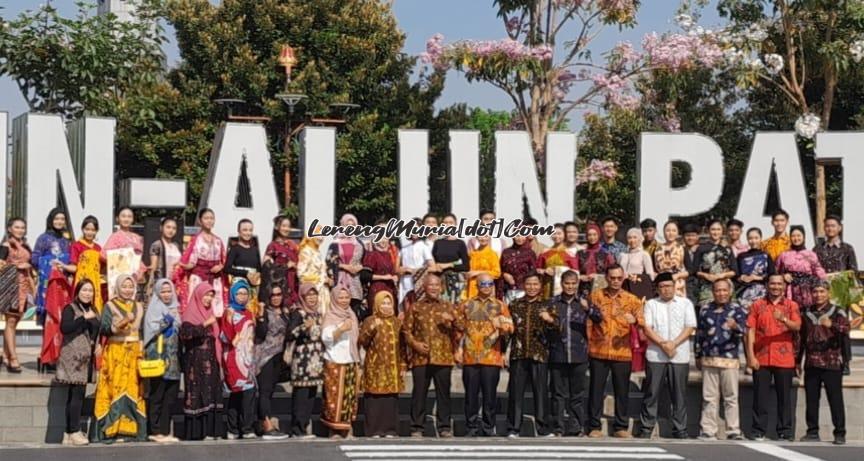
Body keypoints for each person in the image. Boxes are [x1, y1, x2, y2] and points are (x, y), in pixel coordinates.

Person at [586, 265, 644, 439]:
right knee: (596, 389)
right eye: (612, 278)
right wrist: (589, 343)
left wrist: (635, 320)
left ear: (624, 277)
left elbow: (643, 322)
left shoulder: (632, 300)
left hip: (622, 351)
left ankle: (621, 426)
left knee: (621, 391)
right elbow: (588, 322)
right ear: (606, 277)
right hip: (598, 350)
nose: (616, 281)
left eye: (619, 278)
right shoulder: (595, 296)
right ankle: (594, 425)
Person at [403, 274, 463, 438]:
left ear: (441, 287)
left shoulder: (449, 306)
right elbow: (406, 331)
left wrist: (453, 320)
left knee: (443, 394)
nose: (434, 288)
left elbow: (462, 327)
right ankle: (417, 427)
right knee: (419, 394)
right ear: (425, 286)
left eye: (437, 285)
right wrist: (415, 344)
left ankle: (444, 427)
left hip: (443, 357)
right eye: (431, 285)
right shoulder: (415, 307)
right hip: (421, 357)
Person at [638, 272, 696, 440]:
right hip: (656, 355)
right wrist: (664, 344)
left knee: (679, 394)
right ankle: (647, 427)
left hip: (679, 355)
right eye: (662, 287)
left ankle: (680, 429)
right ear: (657, 289)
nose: (666, 290)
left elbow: (690, 327)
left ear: (674, 286)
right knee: (651, 392)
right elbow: (647, 328)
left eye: (669, 286)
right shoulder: (651, 304)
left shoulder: (685, 303)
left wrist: (673, 344)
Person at [91, 274, 146, 443]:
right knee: (114, 389)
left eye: (130, 287)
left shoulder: (139, 306)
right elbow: (105, 328)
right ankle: (111, 431)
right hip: (116, 352)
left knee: (134, 391)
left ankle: (132, 431)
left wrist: (142, 350)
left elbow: (142, 330)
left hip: (134, 353)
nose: (128, 290)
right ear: (118, 288)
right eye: (124, 286)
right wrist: (122, 322)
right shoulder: (110, 305)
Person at [746, 274, 801, 441]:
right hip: (761, 357)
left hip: (784, 358)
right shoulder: (757, 305)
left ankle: (785, 431)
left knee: (784, 398)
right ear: (767, 285)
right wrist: (750, 356)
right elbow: (750, 331)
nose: (776, 287)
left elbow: (797, 326)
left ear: (784, 286)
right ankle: (758, 430)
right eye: (772, 283)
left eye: (779, 284)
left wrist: (783, 319)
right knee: (760, 397)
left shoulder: (791, 305)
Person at [459, 273, 513, 437]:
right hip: (470, 357)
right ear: (477, 285)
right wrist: (458, 349)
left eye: (490, 284)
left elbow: (511, 328)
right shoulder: (466, 305)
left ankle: (489, 427)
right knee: (470, 396)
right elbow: (457, 328)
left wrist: (503, 326)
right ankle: (471, 427)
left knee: (490, 396)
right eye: (483, 284)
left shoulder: (500, 305)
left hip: (492, 356)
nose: (487, 287)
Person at [695, 279, 747, 441]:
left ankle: (733, 429)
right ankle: (708, 430)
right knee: (709, 397)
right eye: (718, 290)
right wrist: (697, 354)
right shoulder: (705, 309)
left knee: (731, 396)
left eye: (724, 290)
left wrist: (735, 327)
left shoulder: (737, 310)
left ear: (730, 292)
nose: (721, 293)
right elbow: (700, 334)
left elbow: (745, 331)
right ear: (713, 292)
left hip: (729, 358)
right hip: (709, 358)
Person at [506, 273, 557, 438]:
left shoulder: (547, 305)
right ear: (524, 285)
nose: (532, 287)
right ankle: (514, 428)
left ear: (540, 286)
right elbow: (508, 332)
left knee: (541, 392)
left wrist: (549, 320)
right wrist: (503, 352)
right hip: (518, 353)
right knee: (515, 393)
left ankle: (543, 428)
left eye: (535, 284)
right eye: (529, 284)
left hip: (539, 353)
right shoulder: (514, 304)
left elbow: (558, 330)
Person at [798, 282, 849, 445]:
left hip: (832, 363)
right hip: (812, 362)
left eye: (821, 291)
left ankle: (839, 433)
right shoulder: (806, 312)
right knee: (812, 400)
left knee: (835, 399)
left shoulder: (837, 311)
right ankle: (812, 431)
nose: (818, 294)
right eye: (815, 291)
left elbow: (846, 329)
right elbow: (800, 337)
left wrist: (832, 325)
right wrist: (797, 361)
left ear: (828, 293)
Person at [55, 279, 100, 446]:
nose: (87, 293)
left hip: (86, 357)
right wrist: (83, 318)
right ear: (78, 291)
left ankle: (68, 432)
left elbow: (96, 329)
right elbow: (65, 328)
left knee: (76, 394)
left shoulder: (93, 309)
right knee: (77, 394)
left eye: (90, 290)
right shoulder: (71, 308)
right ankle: (75, 430)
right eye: (84, 290)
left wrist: (98, 343)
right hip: (73, 358)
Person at [813, 215, 858, 376]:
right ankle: (823, 358)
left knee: (842, 328)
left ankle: (845, 361)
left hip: (840, 295)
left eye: (833, 226)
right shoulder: (817, 249)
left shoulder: (847, 248)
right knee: (822, 326)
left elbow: (853, 271)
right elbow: (813, 270)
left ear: (839, 228)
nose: (830, 229)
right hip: (822, 295)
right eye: (827, 226)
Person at [179, 283, 223, 441]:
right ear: (198, 295)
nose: (208, 298)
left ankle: (212, 432)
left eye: (211, 295)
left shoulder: (210, 314)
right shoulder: (190, 315)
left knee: (212, 395)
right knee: (197, 396)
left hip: (211, 364)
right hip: (195, 366)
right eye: (206, 295)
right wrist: (204, 324)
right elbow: (186, 334)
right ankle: (198, 432)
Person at [548, 270, 589, 437]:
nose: (570, 286)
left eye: (573, 283)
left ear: (577, 284)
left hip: (579, 354)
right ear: (562, 284)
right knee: (558, 394)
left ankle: (576, 427)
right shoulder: (553, 302)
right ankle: (558, 427)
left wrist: (590, 309)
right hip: (558, 353)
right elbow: (545, 328)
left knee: (577, 394)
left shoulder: (584, 303)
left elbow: (599, 319)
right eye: (567, 283)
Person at [359, 291, 404, 438]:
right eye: (383, 303)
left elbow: (402, 346)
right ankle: (374, 430)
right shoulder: (370, 320)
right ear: (377, 304)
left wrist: (403, 365)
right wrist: (372, 328)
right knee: (374, 399)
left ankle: (390, 430)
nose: (386, 306)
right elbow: (362, 342)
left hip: (392, 366)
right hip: (375, 366)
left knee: (390, 400)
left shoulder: (397, 322)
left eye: (388, 303)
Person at [32, 208, 72, 372]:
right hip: (48, 285)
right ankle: (47, 357)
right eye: (57, 219)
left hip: (61, 286)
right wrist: (51, 263)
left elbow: (69, 261)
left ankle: (58, 355)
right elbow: (35, 258)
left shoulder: (65, 240)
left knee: (62, 319)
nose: (59, 222)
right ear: (51, 220)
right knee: (49, 319)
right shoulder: (43, 238)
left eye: (62, 219)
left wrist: (63, 265)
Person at [142, 279, 181, 443]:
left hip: (173, 360)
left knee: (170, 396)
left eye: (169, 291)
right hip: (158, 359)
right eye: (163, 291)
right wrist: (168, 319)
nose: (166, 294)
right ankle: (155, 430)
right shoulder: (154, 309)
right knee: (157, 395)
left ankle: (165, 431)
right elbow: (152, 329)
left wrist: (173, 317)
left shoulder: (175, 309)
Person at [321, 287, 362, 438]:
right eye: (341, 297)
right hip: (334, 360)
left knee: (349, 396)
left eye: (347, 297)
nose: (344, 300)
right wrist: (341, 329)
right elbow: (326, 339)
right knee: (334, 397)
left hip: (350, 359)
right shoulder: (330, 315)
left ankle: (347, 427)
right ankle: (334, 429)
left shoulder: (351, 314)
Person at [286, 283, 325, 438]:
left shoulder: (318, 314)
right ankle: (297, 428)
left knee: (310, 396)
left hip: (315, 362)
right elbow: (289, 335)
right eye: (309, 295)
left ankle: (304, 425)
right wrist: (303, 328)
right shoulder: (298, 313)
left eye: (314, 295)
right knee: (301, 396)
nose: (312, 298)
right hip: (302, 361)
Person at [253, 283, 291, 440]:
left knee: (269, 392)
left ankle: (261, 423)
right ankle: (268, 425)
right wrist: (261, 316)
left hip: (279, 356)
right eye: (273, 295)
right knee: (265, 391)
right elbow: (261, 333)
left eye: (278, 295)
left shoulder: (285, 313)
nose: (276, 298)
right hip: (265, 356)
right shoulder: (265, 312)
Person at [221, 279, 257, 440]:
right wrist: (229, 319)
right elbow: (226, 336)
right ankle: (233, 428)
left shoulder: (249, 312)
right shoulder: (228, 312)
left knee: (249, 392)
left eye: (245, 293)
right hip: (233, 357)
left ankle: (247, 427)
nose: (242, 296)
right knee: (236, 393)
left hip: (248, 358)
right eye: (239, 293)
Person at [175, 208, 228, 318]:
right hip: (198, 277)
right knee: (197, 306)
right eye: (206, 218)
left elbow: (224, 261)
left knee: (216, 307)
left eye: (211, 218)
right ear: (200, 221)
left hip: (215, 278)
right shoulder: (196, 239)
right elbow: (191, 261)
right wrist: (182, 265)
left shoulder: (218, 240)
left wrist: (220, 266)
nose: (209, 221)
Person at [1, 217, 33, 373]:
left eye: (22, 227)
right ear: (9, 229)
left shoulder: (25, 246)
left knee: (16, 320)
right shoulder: (6, 246)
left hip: (23, 287)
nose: (20, 230)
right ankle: (13, 358)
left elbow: (31, 263)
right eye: (17, 227)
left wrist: (27, 266)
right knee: (11, 321)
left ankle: (6, 355)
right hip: (10, 287)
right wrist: (15, 265)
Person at [776, 225, 826, 311]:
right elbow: (775, 272)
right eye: (793, 236)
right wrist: (783, 276)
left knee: (807, 316)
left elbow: (819, 271)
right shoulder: (784, 255)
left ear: (804, 237)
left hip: (807, 290)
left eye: (799, 235)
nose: (796, 238)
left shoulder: (811, 254)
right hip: (790, 290)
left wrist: (826, 283)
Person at [327, 214, 366, 320]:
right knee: (339, 310)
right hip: (339, 280)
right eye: (347, 226)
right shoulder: (335, 244)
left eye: (353, 226)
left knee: (353, 312)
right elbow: (329, 262)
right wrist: (345, 267)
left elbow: (364, 262)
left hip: (355, 282)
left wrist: (360, 267)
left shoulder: (359, 244)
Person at [102, 207, 146, 298]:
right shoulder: (115, 236)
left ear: (133, 219)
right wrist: (123, 259)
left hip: (134, 275)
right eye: (123, 216)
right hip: (120, 275)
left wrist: (141, 269)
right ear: (118, 219)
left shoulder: (137, 238)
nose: (126, 219)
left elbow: (139, 257)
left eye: (129, 216)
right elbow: (103, 254)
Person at [695, 219, 738, 306]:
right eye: (713, 229)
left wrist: (721, 275)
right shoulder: (701, 248)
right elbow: (695, 270)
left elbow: (735, 271)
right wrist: (706, 276)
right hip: (707, 286)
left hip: (725, 286)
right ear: (708, 230)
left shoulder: (727, 248)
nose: (716, 232)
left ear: (722, 231)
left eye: (718, 229)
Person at [224, 220, 262, 315]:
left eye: (250, 230)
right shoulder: (234, 249)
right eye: (244, 230)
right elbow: (227, 268)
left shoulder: (255, 250)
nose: (248, 233)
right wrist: (245, 274)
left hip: (253, 288)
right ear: (239, 231)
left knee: (252, 313)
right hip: (239, 287)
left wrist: (257, 275)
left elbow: (259, 268)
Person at [431, 213, 470, 304]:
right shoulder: (438, 243)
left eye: (450, 222)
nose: (448, 225)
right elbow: (433, 262)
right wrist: (436, 266)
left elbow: (466, 266)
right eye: (445, 223)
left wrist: (449, 265)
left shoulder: (460, 243)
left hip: (455, 282)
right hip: (440, 281)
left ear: (455, 225)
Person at [69, 216, 104, 312]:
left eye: (93, 230)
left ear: (97, 231)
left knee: (94, 306)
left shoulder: (98, 248)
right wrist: (63, 266)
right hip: (81, 281)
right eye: (87, 229)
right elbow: (73, 265)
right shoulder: (76, 246)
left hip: (95, 282)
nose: (90, 232)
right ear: (82, 229)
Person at [398, 218, 434, 309]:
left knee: (418, 308)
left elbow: (433, 267)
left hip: (418, 282)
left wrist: (416, 270)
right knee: (406, 308)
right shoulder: (404, 248)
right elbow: (396, 268)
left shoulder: (423, 247)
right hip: (405, 282)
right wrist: (402, 269)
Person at [736, 227, 775, 312]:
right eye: (750, 238)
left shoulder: (766, 255)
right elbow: (736, 275)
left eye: (756, 238)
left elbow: (772, 275)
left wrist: (756, 278)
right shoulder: (741, 256)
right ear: (747, 239)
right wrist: (741, 277)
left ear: (761, 238)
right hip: (744, 293)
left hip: (763, 292)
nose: (753, 241)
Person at [263, 215, 299, 306]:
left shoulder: (292, 246)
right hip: (279, 287)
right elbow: (266, 268)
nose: (286, 228)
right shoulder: (273, 246)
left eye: (288, 226)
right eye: (284, 226)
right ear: (276, 227)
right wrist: (286, 266)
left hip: (293, 284)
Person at [536, 223, 578, 298]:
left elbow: (575, 272)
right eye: (554, 234)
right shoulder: (545, 253)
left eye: (559, 234)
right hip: (547, 287)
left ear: (564, 235)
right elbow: (537, 270)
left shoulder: (570, 253)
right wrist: (544, 271)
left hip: (564, 288)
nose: (556, 236)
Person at [576, 223, 616, 298]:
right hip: (582, 289)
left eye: (594, 235)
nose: (592, 237)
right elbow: (574, 271)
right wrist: (580, 276)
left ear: (599, 235)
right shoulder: (580, 253)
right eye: (589, 235)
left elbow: (613, 273)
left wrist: (598, 276)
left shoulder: (606, 254)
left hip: (601, 289)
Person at [364, 234, 399, 311]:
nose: (383, 241)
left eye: (385, 238)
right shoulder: (372, 255)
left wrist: (395, 276)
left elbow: (391, 272)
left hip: (390, 288)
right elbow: (365, 276)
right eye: (380, 238)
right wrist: (383, 277)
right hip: (377, 289)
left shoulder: (389, 255)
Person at [297, 234, 331, 313]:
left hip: (322, 289)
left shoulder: (317, 252)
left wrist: (327, 279)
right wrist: (320, 279)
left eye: (322, 236)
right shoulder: (306, 252)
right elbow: (301, 274)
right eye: (318, 235)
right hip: (312, 290)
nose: (321, 238)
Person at [654, 220, 688, 298]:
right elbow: (655, 269)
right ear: (664, 232)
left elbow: (690, 270)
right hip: (662, 285)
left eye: (673, 230)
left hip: (677, 285)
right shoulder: (658, 249)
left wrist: (677, 275)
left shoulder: (682, 248)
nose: (670, 233)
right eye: (668, 230)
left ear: (677, 232)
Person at [500, 233, 537, 299]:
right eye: (517, 235)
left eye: (522, 235)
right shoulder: (506, 252)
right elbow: (500, 270)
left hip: (524, 290)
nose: (519, 238)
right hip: (508, 289)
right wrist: (504, 275)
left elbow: (533, 272)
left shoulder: (530, 253)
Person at [148, 217, 182, 286]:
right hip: (162, 282)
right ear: (161, 228)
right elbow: (153, 267)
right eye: (168, 227)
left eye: (174, 228)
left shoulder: (176, 245)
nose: (171, 230)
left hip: (176, 281)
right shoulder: (157, 245)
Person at [466, 234, 501, 300]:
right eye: (481, 236)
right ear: (476, 237)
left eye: (486, 236)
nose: (483, 239)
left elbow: (497, 273)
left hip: (485, 289)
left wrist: (478, 272)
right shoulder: (473, 254)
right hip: (471, 288)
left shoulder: (492, 254)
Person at [682, 223, 705, 306]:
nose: (690, 238)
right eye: (687, 235)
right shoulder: (680, 250)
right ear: (683, 237)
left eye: (693, 235)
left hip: (701, 284)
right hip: (686, 285)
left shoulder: (703, 249)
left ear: (697, 236)